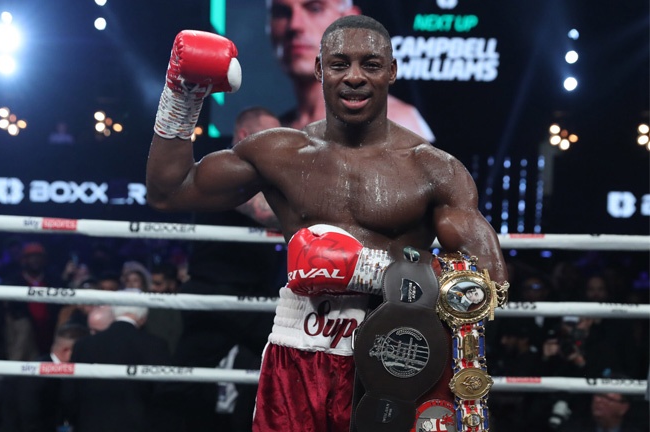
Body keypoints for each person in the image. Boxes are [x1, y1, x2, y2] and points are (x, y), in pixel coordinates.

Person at [146, 15, 507, 431]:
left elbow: (488, 285)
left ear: (392, 71)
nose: (354, 76)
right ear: (320, 69)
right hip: (298, 353)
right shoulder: (278, 153)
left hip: (398, 356)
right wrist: (182, 97)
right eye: (339, 64)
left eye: (370, 64)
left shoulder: (434, 169)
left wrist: (374, 273)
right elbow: (169, 191)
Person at [165, 107, 284, 431]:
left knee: (268, 368)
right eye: (269, 136)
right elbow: (268, 214)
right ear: (245, 136)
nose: (277, 144)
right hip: (216, 291)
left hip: (251, 294)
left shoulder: (262, 176)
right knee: (186, 376)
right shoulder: (224, 168)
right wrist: (308, 206)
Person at [266, 0, 436, 141]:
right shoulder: (272, 130)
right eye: (281, 12)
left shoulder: (396, 123)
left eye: (315, 8)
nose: (295, 25)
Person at [61, 301, 175, 432]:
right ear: (143, 318)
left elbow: (70, 392)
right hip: (138, 425)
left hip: (90, 425)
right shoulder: (154, 345)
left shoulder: (84, 345)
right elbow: (164, 393)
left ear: (114, 314)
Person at [0, 323, 90, 432]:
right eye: (86, 350)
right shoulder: (35, 377)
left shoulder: (60, 375)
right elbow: (30, 421)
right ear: (67, 351)